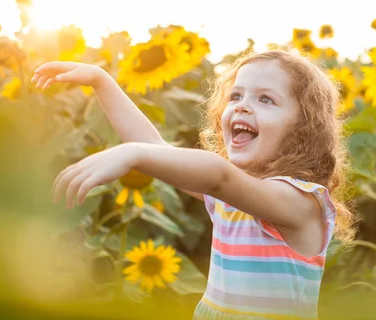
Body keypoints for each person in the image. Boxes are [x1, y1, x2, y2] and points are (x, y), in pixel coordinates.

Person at [31, 49, 354, 319]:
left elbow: (217, 176)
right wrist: (101, 81)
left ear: (303, 127)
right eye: (236, 95)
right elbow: (153, 145)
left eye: (266, 100)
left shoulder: (301, 202)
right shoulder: (235, 198)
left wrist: (133, 154)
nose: (241, 105)